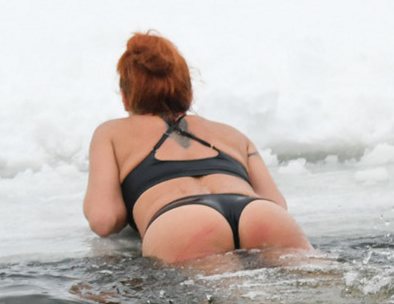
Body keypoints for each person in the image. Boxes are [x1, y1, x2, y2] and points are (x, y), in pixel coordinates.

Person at [82, 33, 313, 264]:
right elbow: (277, 204)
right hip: (258, 213)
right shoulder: (231, 134)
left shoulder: (111, 133)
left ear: (125, 96)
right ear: (188, 92)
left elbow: (105, 220)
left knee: (227, 297)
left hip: (181, 221)